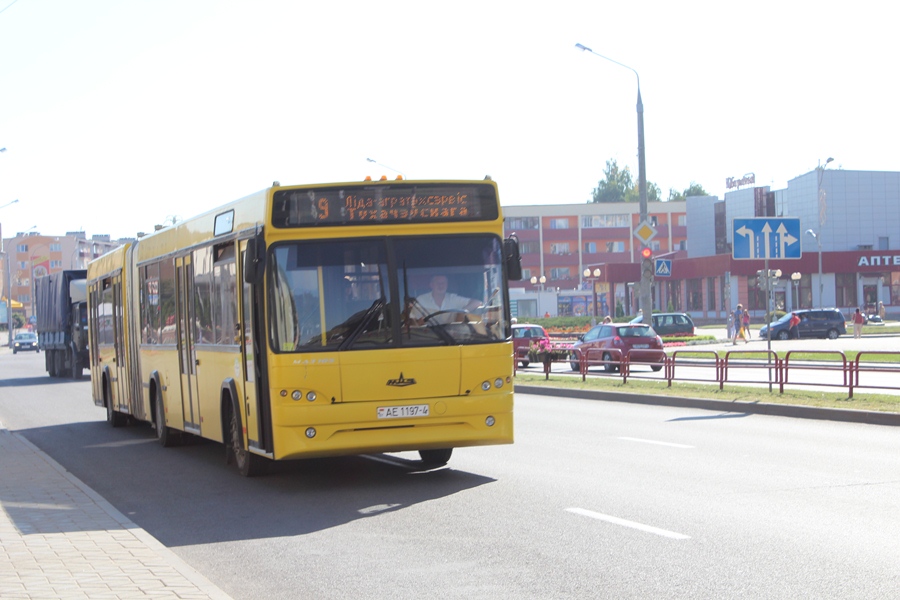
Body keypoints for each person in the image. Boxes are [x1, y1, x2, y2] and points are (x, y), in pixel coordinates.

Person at [410, 275, 481, 325]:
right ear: (431, 285)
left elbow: (477, 302)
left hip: (452, 337)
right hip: (428, 337)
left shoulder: (453, 298)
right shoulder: (421, 299)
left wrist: (462, 312)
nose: (441, 285)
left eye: (443, 283)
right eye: (438, 283)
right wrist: (418, 323)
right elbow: (412, 321)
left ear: (447, 285)